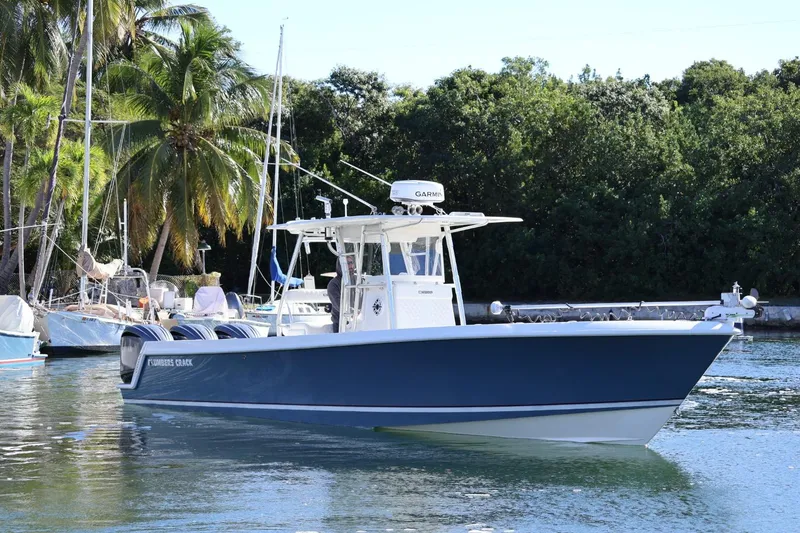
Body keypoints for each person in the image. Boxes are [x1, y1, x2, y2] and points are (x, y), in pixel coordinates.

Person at [326, 255, 355, 333]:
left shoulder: (358, 281)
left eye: (351, 263)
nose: (350, 266)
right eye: (347, 263)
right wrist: (354, 312)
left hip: (358, 322)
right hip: (340, 325)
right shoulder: (333, 284)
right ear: (340, 266)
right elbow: (339, 305)